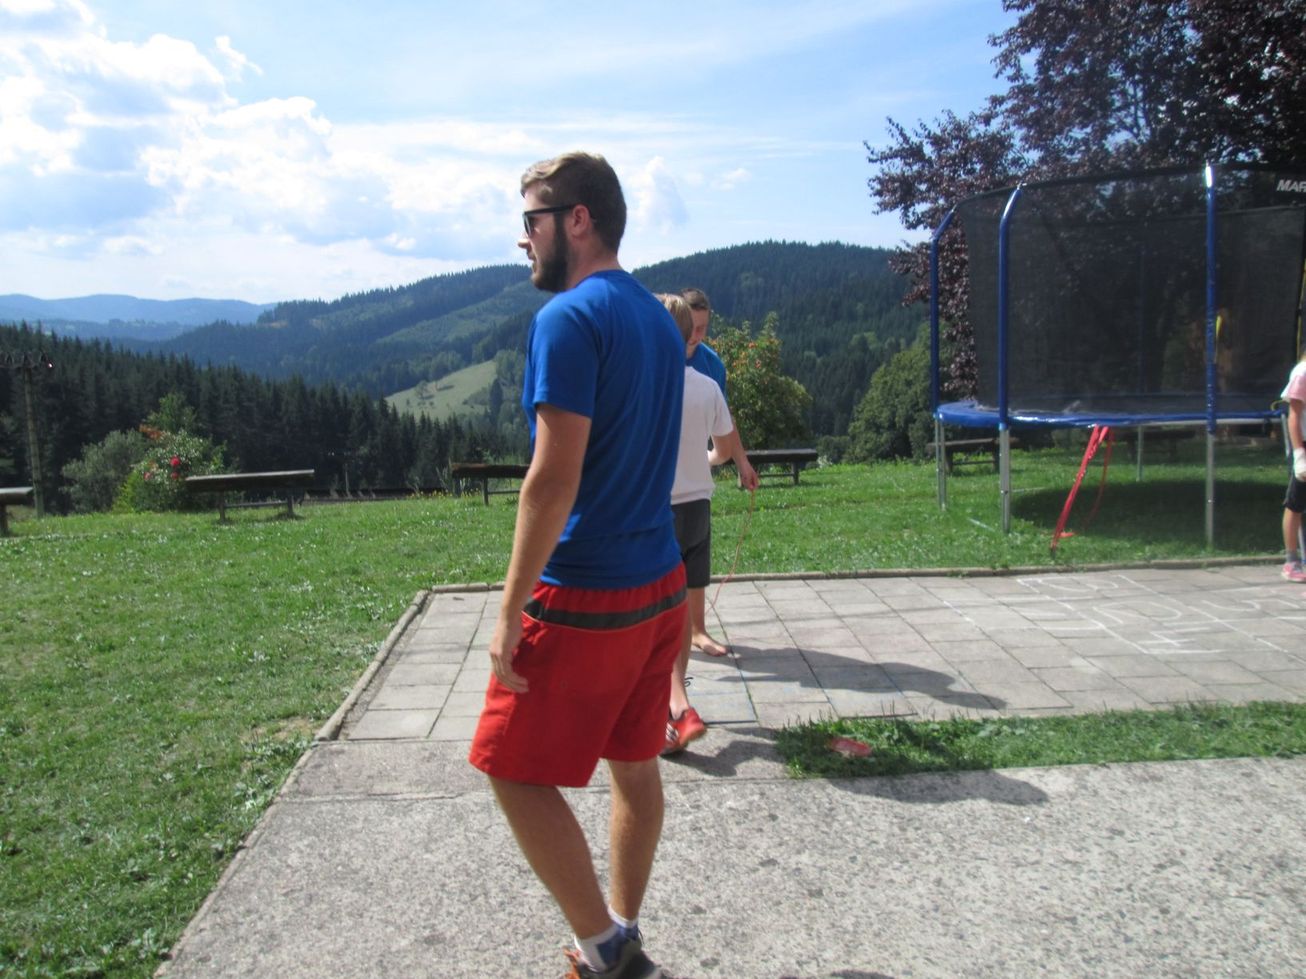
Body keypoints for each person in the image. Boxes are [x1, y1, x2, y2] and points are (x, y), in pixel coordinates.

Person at [468, 152, 686, 979]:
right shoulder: (657, 319)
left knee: (509, 767)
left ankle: (607, 950)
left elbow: (551, 480)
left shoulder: (567, 318)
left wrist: (508, 612)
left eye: (531, 220)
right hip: (661, 582)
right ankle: (620, 930)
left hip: (589, 592)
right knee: (634, 763)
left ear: (578, 220)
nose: (523, 238)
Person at [656, 294, 757, 754]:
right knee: (680, 606)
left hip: (658, 511)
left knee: (655, 612)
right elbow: (725, 447)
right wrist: (708, 459)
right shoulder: (706, 385)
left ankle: (672, 706)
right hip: (698, 507)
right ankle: (677, 702)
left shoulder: (644, 385)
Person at [679, 287, 759, 656]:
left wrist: (741, 462)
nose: (697, 335)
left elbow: (723, 423)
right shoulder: (655, 359)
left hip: (694, 482)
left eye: (704, 327)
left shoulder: (712, 366)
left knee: (696, 560)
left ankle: (697, 630)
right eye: (692, 327)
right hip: (662, 484)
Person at [1281, 348, 1306, 581]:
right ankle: (1291, 561)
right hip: (1304, 444)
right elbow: (1294, 416)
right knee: (1296, 503)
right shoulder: (1302, 372)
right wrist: (1299, 454)